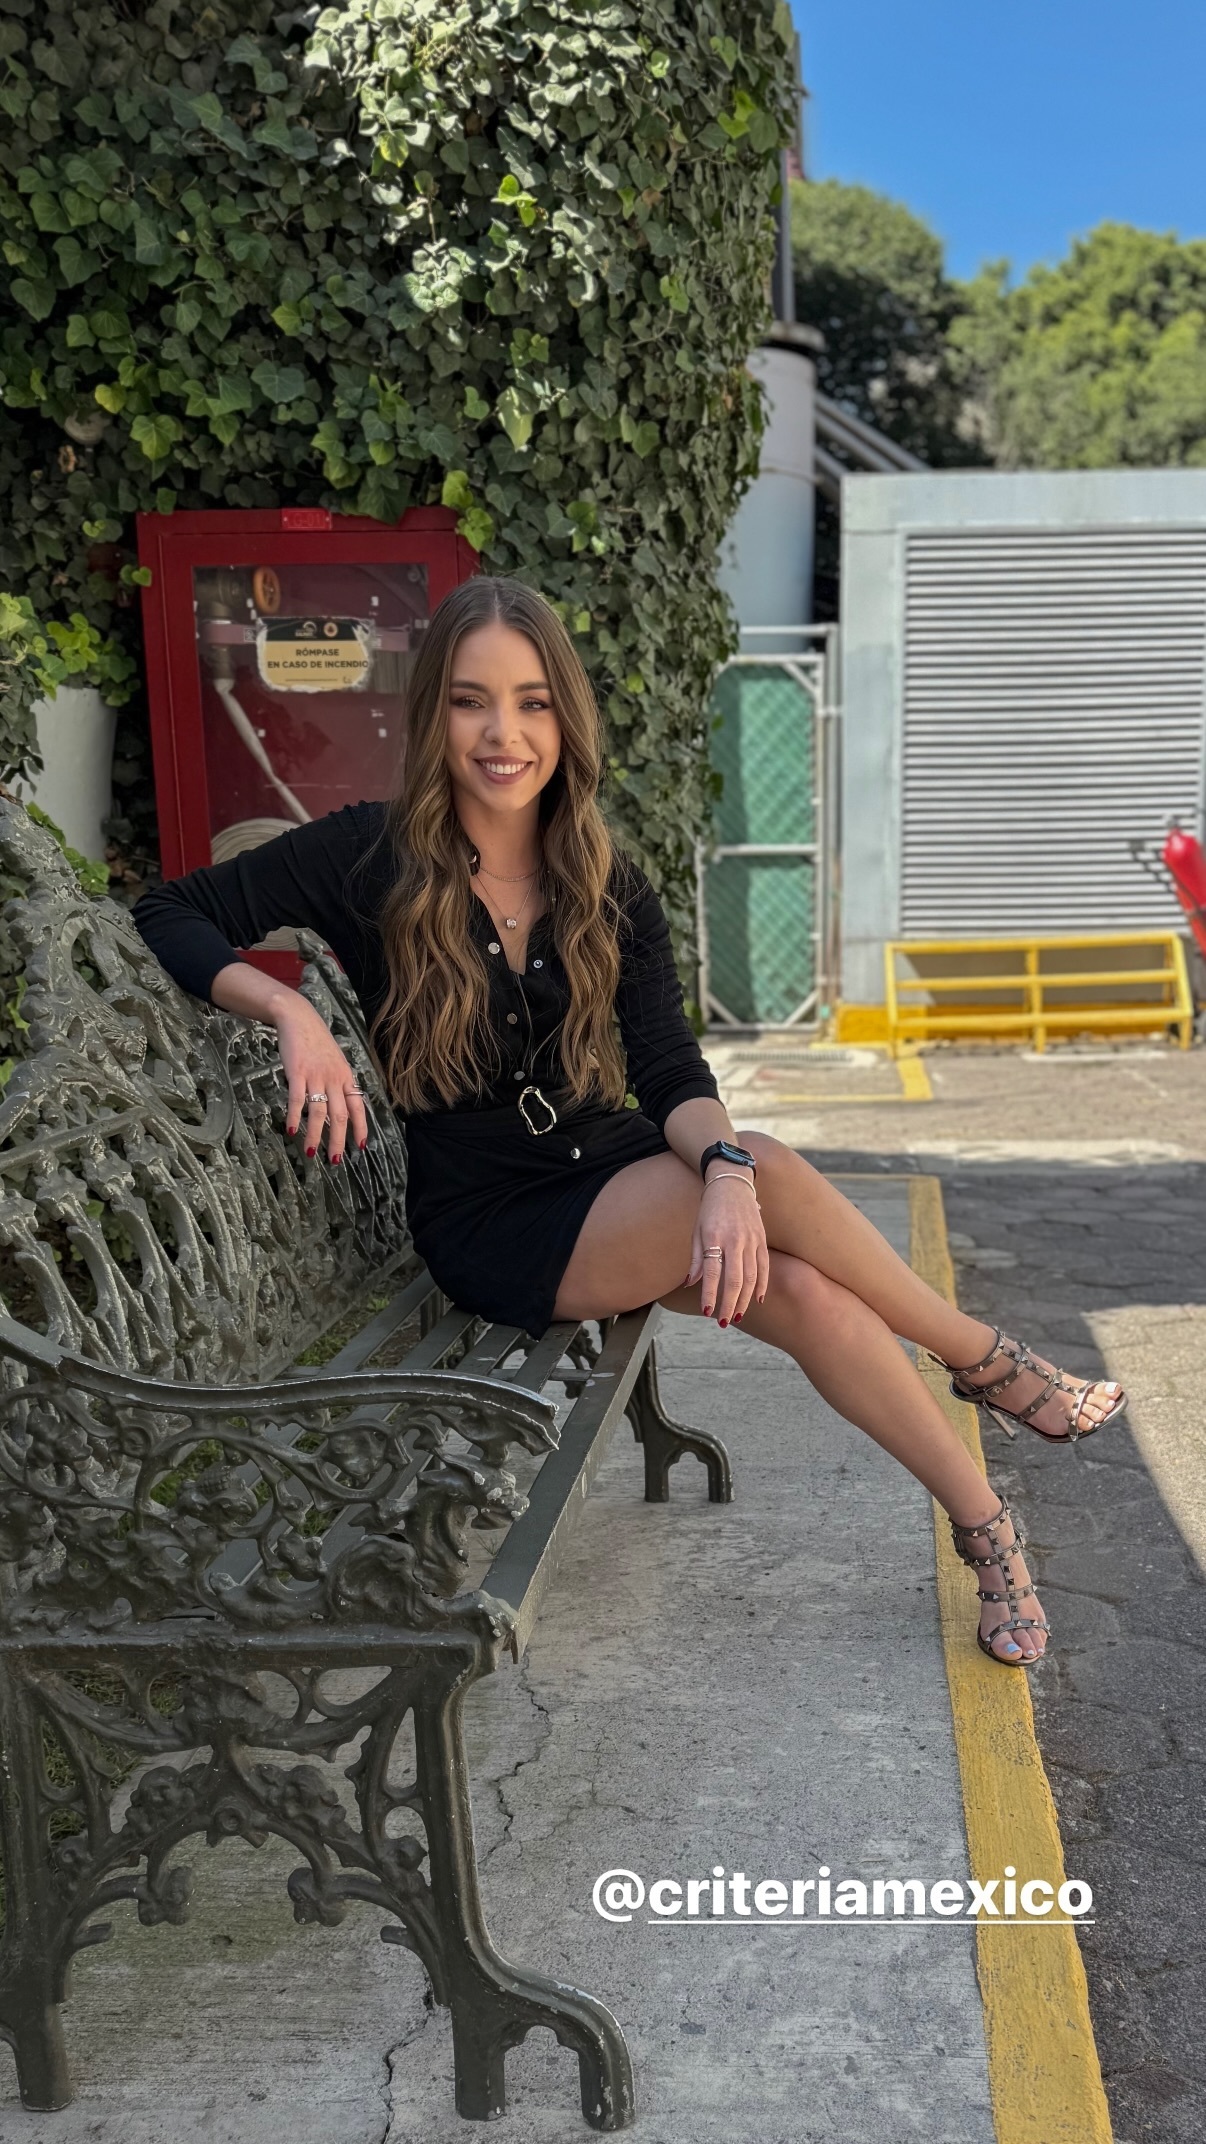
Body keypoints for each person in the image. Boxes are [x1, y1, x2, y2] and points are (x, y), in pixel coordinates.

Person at [133, 574, 1127, 1668]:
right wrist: (286, 1010)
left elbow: (669, 1071)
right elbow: (170, 910)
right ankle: (987, 1360)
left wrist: (724, 1174)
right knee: (763, 1168)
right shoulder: (370, 854)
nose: (503, 734)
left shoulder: (603, 882)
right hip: (493, 1219)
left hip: (606, 1167)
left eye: (532, 702)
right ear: (433, 717)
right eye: (470, 701)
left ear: (566, 718)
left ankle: (988, 1527)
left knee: (802, 1287)